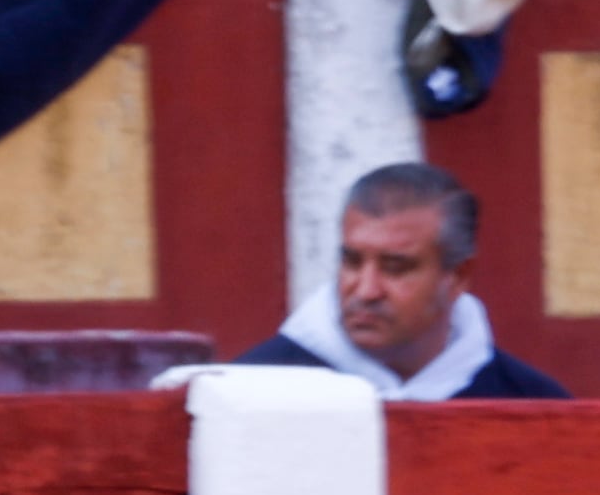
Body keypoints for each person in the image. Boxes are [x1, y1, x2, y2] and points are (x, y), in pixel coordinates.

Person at [237, 161, 567, 401]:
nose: (366, 291)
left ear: (457, 276)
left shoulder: (534, 407)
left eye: (395, 268)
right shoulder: (249, 393)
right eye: (352, 262)